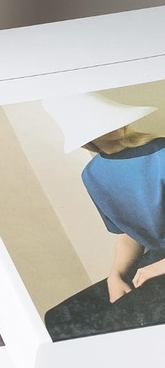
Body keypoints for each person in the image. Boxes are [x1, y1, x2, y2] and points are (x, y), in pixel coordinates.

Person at [42, 92, 165, 341]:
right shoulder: (92, 176)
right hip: (154, 261)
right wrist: (116, 274)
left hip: (160, 265)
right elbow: (128, 234)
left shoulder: (161, 152)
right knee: (60, 319)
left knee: (124, 321)